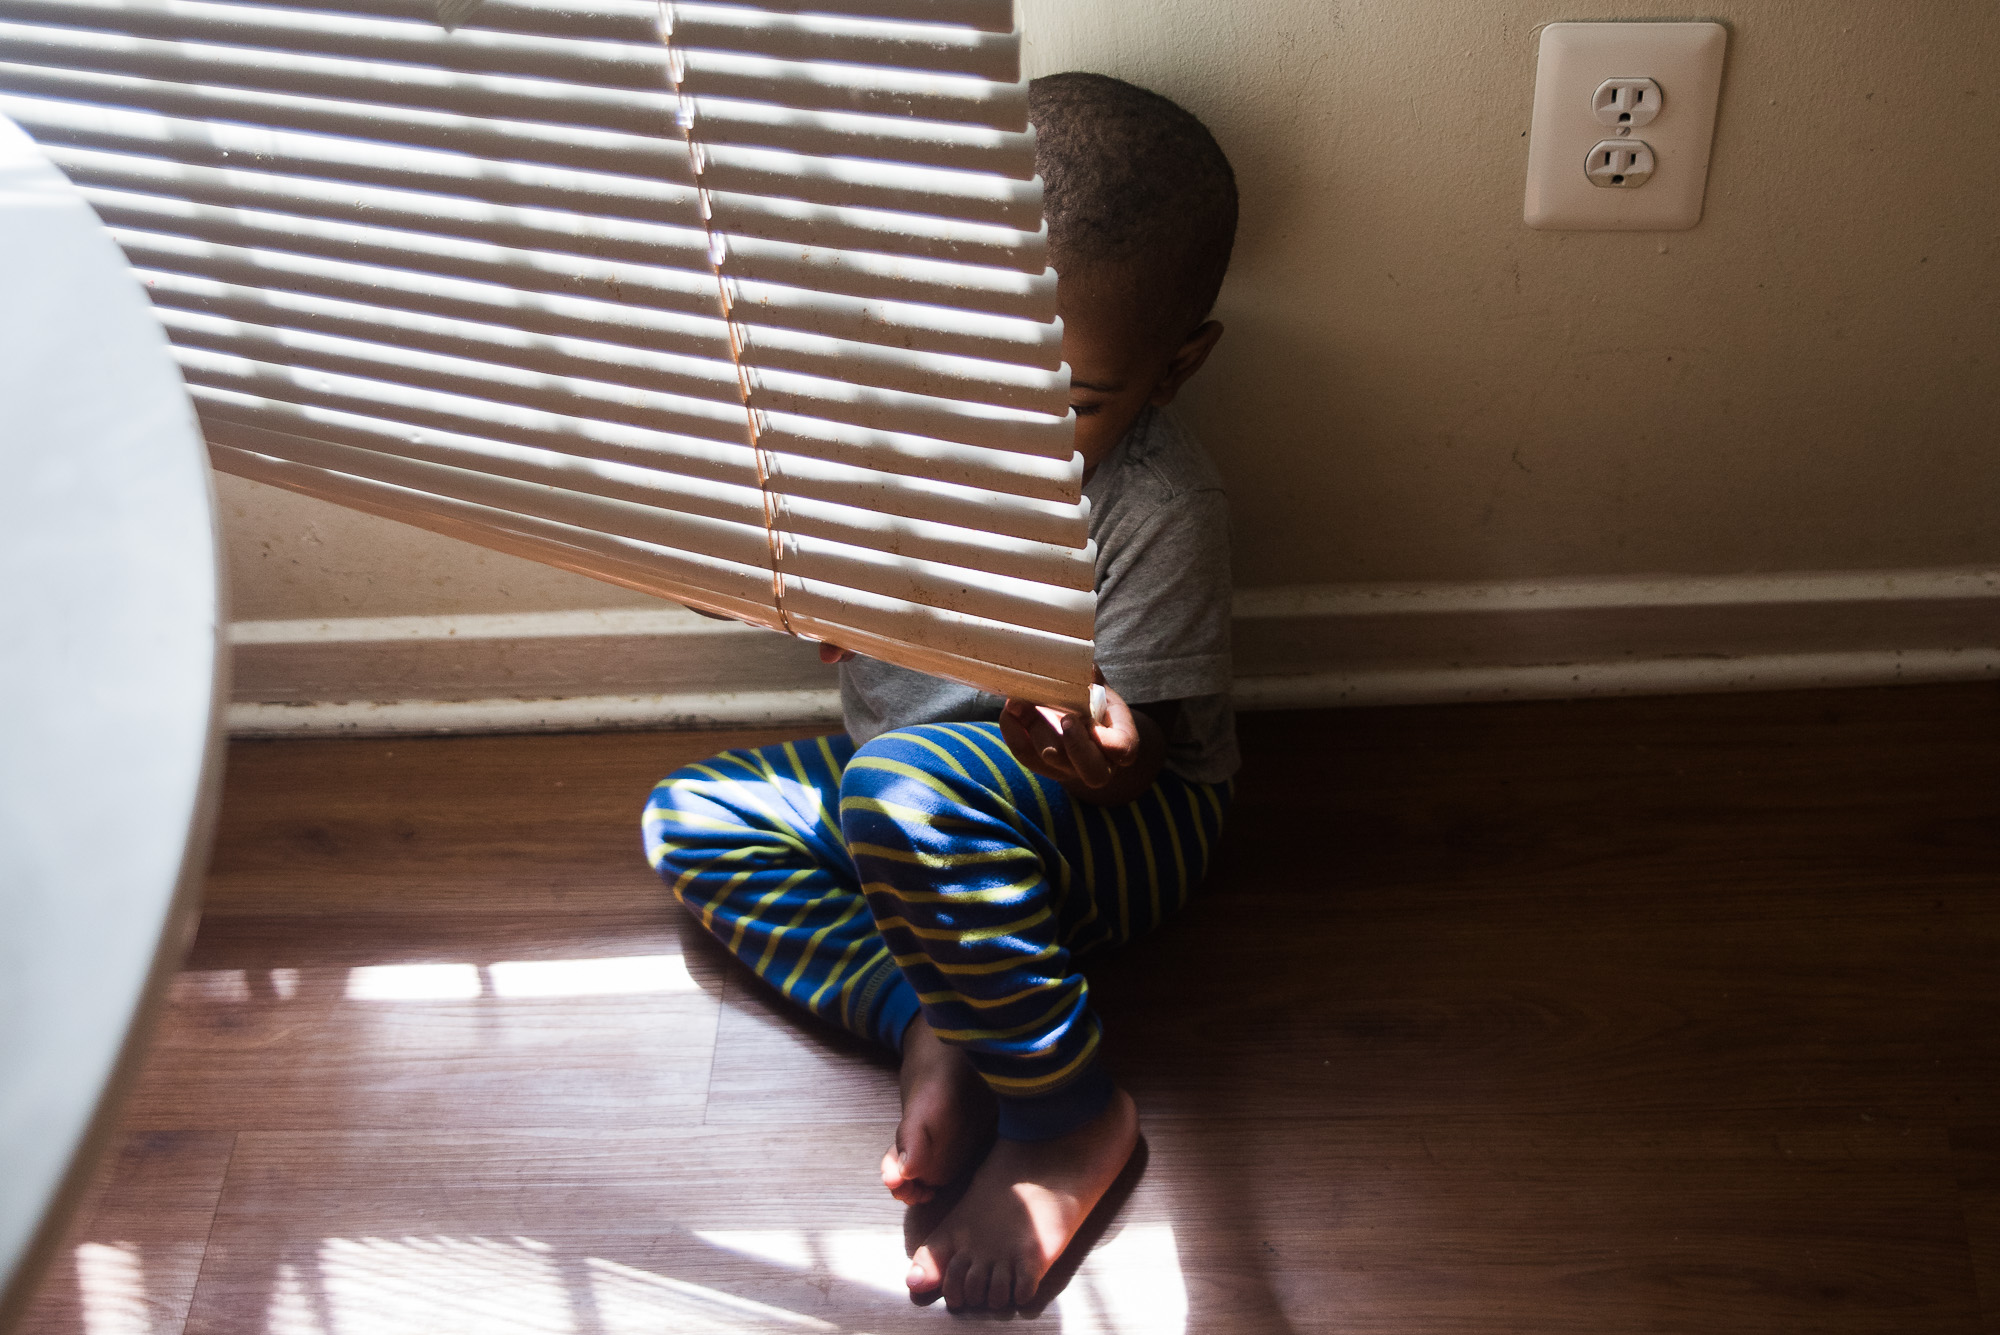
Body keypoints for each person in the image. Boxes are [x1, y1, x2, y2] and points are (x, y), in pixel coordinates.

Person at [643, 70, 1239, 1311]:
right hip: (896, 789)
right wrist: (750, 581)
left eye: (1067, 402)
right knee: (692, 816)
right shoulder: (869, 445)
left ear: (1170, 372)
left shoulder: (1152, 506)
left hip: (1119, 821)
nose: (1002, 430)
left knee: (906, 793)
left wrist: (1098, 753)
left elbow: (1146, 760)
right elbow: (749, 580)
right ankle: (935, 1010)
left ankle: (1066, 1115)